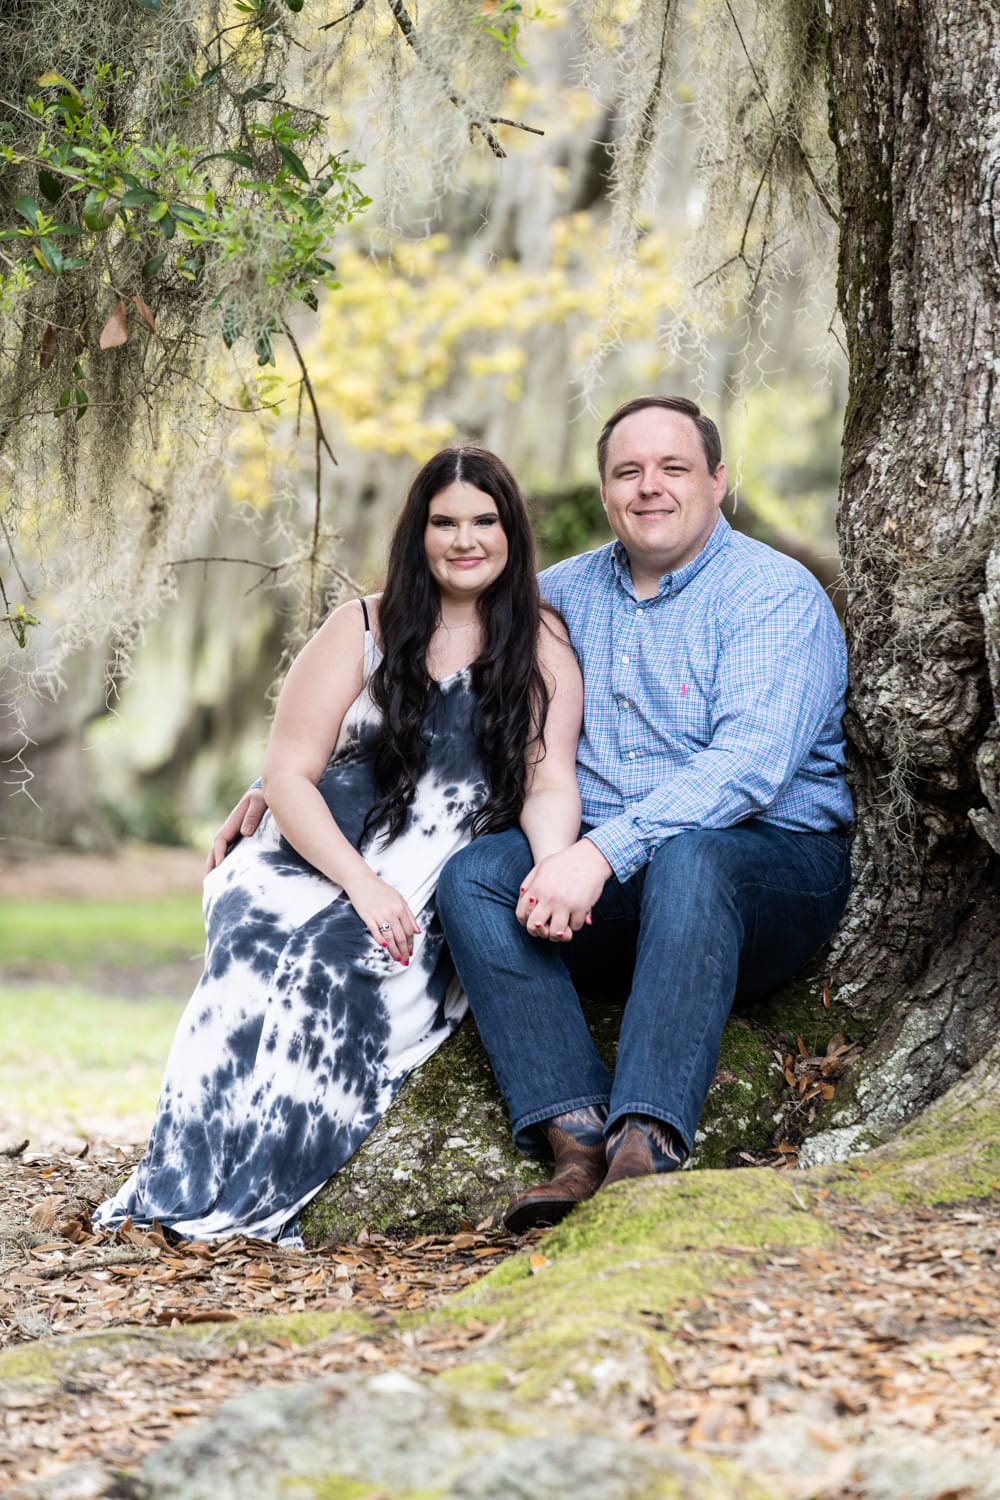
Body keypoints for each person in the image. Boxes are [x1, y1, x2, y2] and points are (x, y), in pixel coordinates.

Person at [93, 447, 583, 1247]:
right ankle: (184, 1175)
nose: (466, 540)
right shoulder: (360, 625)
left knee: (340, 967)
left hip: (430, 861)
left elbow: (549, 780)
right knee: (256, 946)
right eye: (445, 522)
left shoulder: (542, 643)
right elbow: (287, 774)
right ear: (417, 533)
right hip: (317, 849)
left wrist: (556, 863)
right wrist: (360, 883)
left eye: (484, 521)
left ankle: (257, 1188)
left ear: (511, 532)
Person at [434, 395, 853, 1231]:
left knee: (695, 855)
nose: (649, 488)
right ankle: (577, 1134)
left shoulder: (775, 595)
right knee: (478, 876)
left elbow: (750, 771)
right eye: (628, 471)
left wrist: (599, 854)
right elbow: (427, 666)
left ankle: (646, 1142)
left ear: (718, 481)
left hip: (767, 870)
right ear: (605, 490)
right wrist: (295, 776)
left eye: (673, 468)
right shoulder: (559, 595)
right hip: (613, 886)